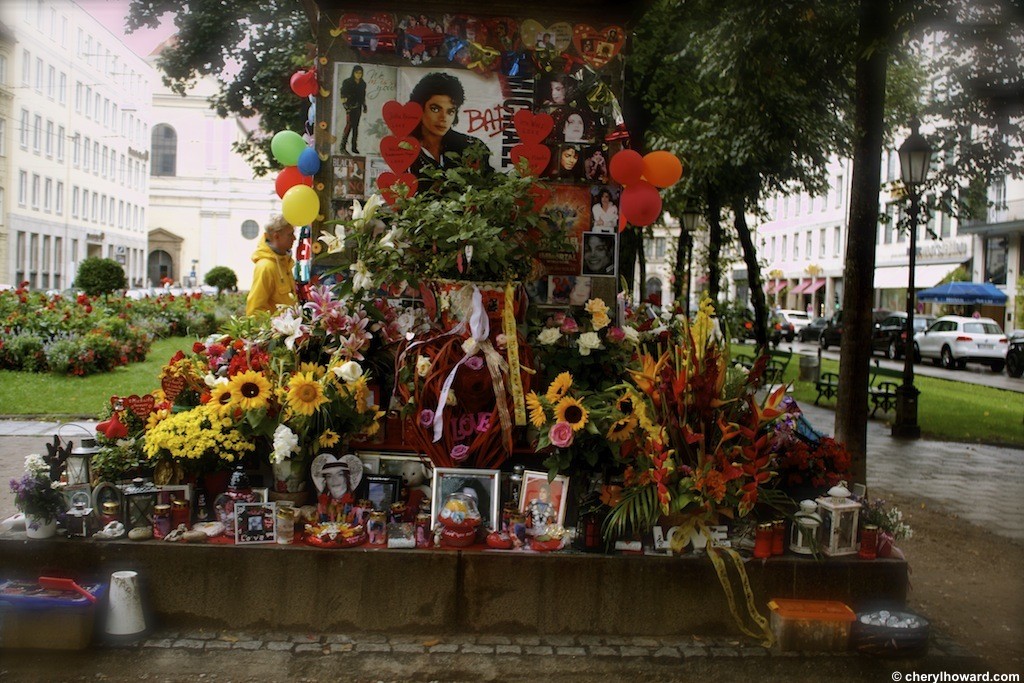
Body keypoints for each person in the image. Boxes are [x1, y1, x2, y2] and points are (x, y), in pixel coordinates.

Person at [408, 72, 492, 182]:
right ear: (419, 108)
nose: (443, 118)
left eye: (450, 111)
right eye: (435, 109)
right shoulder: (404, 148)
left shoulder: (473, 147)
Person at [245, 216, 296, 316]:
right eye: (290, 234)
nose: (294, 238)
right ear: (277, 236)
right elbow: (255, 310)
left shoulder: (284, 263)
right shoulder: (266, 267)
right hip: (276, 330)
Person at [339, 66, 368, 155]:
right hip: (349, 106)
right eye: (357, 73)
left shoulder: (363, 83)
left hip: (358, 106)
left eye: (360, 73)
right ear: (353, 73)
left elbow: (363, 96)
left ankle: (354, 146)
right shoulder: (347, 82)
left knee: (356, 127)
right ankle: (342, 146)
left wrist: (364, 105)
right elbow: (342, 95)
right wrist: (346, 106)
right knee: (349, 125)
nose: (358, 75)